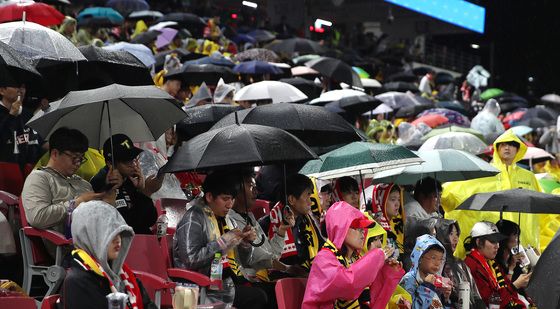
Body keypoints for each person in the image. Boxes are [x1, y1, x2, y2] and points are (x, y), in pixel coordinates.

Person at [174, 171, 268, 309]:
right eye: (225, 199)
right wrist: (223, 242)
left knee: (269, 292)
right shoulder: (194, 218)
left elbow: (246, 262)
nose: (230, 205)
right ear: (210, 196)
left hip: (226, 281)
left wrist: (245, 244)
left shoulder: (228, 219)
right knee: (259, 297)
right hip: (201, 288)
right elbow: (190, 259)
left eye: (232, 199)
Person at [442, 129, 543, 256]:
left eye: (512, 145)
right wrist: (443, 194)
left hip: (522, 243)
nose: (507, 148)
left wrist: (535, 242)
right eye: (503, 144)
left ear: (518, 149)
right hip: (494, 240)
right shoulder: (486, 172)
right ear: (497, 148)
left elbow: (539, 210)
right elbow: (460, 190)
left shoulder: (528, 177)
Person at [21, 128, 120, 247]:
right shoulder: (39, 178)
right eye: (74, 158)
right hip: (67, 250)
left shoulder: (83, 184)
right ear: (55, 154)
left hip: (96, 243)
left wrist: (109, 201)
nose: (78, 163)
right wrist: (76, 203)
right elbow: (37, 218)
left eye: (81, 158)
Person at [302, 201, 404, 308]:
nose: (362, 232)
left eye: (362, 228)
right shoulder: (324, 258)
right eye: (356, 227)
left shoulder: (356, 259)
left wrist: (386, 272)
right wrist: (374, 259)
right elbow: (347, 285)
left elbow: (374, 299)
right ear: (341, 228)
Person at [60, 200, 156, 309]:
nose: (118, 239)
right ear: (90, 236)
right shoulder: (76, 282)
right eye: (108, 233)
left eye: (119, 233)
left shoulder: (124, 274)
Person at [225, 169, 294, 306]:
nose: (256, 191)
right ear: (237, 190)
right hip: (246, 280)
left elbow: (270, 254)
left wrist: (281, 231)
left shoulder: (249, 217)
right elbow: (257, 259)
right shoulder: (229, 220)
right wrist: (286, 268)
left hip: (260, 276)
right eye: (251, 186)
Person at [90, 134, 163, 234]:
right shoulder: (101, 182)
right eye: (127, 161)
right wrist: (146, 193)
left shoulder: (129, 178)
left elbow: (149, 220)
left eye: (133, 159)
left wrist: (141, 190)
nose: (133, 165)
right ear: (110, 163)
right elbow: (126, 226)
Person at [259, 173, 325, 274]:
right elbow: (266, 262)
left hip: (310, 275)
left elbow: (322, 247)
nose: (310, 202)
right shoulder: (266, 224)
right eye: (307, 196)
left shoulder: (308, 221)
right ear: (292, 200)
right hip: (280, 280)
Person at [464, 221, 529, 308]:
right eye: (492, 241)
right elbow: (490, 302)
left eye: (498, 241)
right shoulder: (472, 265)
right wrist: (515, 285)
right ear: (479, 242)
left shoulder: (491, 262)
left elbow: (504, 285)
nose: (497, 246)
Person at [0, 82, 43, 195]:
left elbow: (38, 141)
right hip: (4, 172)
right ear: (2, 91)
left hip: (27, 171)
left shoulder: (28, 114)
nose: (20, 90)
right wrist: (11, 116)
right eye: (16, 86)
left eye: (23, 87)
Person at [434, 219, 485, 309]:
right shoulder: (436, 265)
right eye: (451, 234)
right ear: (442, 236)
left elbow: (475, 293)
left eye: (457, 234)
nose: (455, 238)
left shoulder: (460, 263)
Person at [400, 234, 452, 309]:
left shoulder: (434, 281)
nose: (437, 263)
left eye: (440, 259)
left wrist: (445, 299)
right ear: (420, 257)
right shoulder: (409, 279)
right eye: (433, 258)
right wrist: (427, 287)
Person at [495, 220, 532, 297]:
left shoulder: (515, 258)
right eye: (515, 235)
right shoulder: (494, 261)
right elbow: (504, 288)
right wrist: (511, 268)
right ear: (505, 237)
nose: (518, 239)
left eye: (518, 235)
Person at [369, 183, 405, 259]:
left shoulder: (389, 226)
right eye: (393, 200)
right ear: (381, 201)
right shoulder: (375, 229)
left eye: (399, 199)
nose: (397, 204)